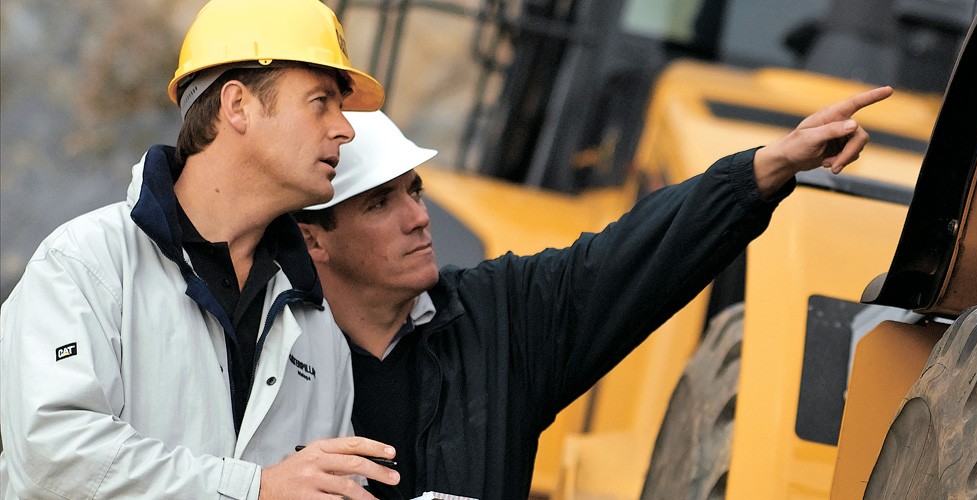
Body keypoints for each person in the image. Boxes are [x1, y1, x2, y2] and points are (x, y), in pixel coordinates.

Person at [293, 87, 890, 498]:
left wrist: (768, 168)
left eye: (415, 191)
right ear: (314, 239)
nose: (417, 218)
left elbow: (633, 255)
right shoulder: (267, 358)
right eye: (380, 203)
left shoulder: (500, 322)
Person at [0, 0, 404, 497]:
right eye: (321, 101)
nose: (345, 128)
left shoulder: (319, 334)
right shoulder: (84, 266)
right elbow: (53, 458)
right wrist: (254, 488)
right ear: (237, 105)